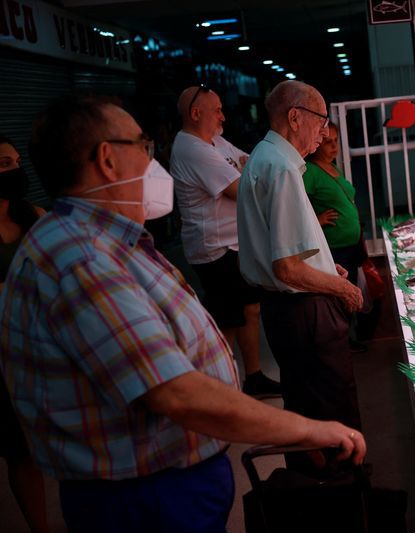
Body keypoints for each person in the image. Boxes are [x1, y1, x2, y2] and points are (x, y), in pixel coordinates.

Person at [0, 95, 365, 532]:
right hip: (145, 499)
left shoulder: (104, 240)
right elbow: (176, 393)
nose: (154, 163)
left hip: (165, 489)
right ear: (107, 160)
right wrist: (309, 430)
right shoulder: (79, 258)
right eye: (143, 146)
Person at [238, 81, 364, 463]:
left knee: (307, 407)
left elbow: (287, 252)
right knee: (331, 415)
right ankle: (340, 490)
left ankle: (324, 483)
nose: (325, 132)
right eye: (321, 121)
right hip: (304, 311)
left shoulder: (267, 158)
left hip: (289, 310)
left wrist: (326, 267)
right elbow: (288, 268)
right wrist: (343, 290)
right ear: (295, 117)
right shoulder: (280, 169)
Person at [170, 85, 280, 398]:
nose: (223, 115)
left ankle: (253, 377)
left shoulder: (214, 141)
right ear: (195, 114)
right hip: (214, 249)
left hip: (233, 244)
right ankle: (224, 388)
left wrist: (252, 174)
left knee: (249, 309)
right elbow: (239, 189)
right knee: (228, 319)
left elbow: (249, 162)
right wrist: (254, 178)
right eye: (216, 109)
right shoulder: (192, 148)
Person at [0, 135, 48, 532]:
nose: (15, 170)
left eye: (16, 161)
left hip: (29, 354)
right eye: (4, 164)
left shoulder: (33, 215)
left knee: (28, 452)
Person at [303, 123, 369, 353]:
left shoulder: (333, 168)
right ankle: (340, 343)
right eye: (327, 142)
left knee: (351, 292)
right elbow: (296, 204)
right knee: (338, 296)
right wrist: (317, 219)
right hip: (334, 248)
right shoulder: (310, 171)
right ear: (317, 144)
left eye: (336, 141)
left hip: (350, 244)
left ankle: (347, 339)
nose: (333, 147)